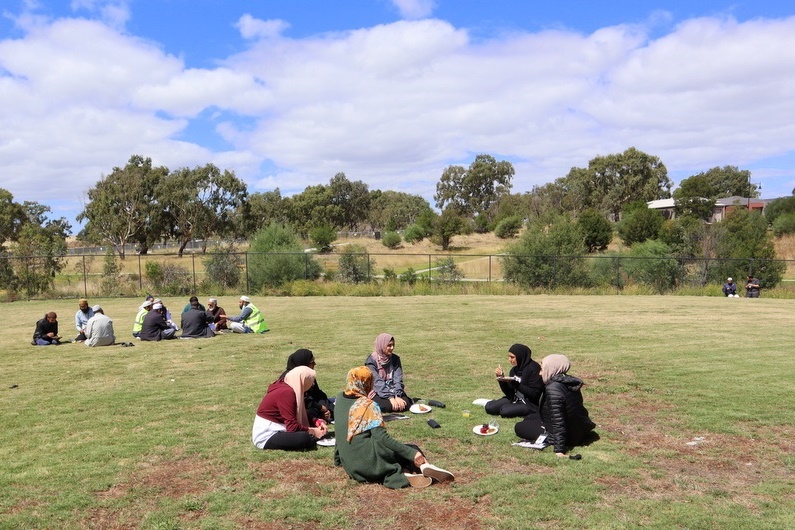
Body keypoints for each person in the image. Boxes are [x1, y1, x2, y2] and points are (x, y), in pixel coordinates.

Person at [334, 366, 454, 489]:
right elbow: (382, 438)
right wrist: (412, 453)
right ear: (367, 383)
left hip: (351, 467)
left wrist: (338, 459)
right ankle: (422, 467)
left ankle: (406, 472)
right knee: (410, 449)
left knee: (396, 452)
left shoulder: (339, 399)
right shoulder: (368, 406)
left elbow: (339, 432)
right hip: (370, 466)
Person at [514, 354, 596, 457]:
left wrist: (559, 450)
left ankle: (552, 438)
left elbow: (558, 421)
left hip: (569, 436)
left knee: (519, 427)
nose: (539, 373)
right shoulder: (568, 381)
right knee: (530, 417)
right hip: (579, 429)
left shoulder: (553, 389)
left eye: (542, 369)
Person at [252, 366, 327, 451]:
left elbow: (297, 412)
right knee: (304, 438)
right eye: (311, 381)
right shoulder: (287, 393)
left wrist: (316, 421)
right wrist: (313, 431)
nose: (312, 384)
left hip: (280, 426)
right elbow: (292, 427)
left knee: (309, 432)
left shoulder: (289, 387)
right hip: (267, 435)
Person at [485, 343, 544, 418]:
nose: (509, 360)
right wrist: (502, 380)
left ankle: (512, 407)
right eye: (509, 357)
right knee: (489, 407)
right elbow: (509, 393)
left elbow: (535, 394)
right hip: (515, 398)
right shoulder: (514, 370)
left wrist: (517, 384)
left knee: (504, 411)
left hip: (530, 403)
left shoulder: (534, 369)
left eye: (512, 357)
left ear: (520, 357)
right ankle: (504, 404)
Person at [278, 348, 334, 422]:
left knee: (336, 409)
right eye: (311, 362)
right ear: (303, 363)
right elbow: (302, 400)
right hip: (300, 406)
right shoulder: (288, 378)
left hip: (313, 402)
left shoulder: (306, 374)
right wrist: (320, 407)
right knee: (310, 413)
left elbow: (317, 393)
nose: (314, 364)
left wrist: (326, 408)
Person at [364, 333, 413, 413]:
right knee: (384, 406)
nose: (392, 348)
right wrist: (390, 397)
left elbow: (398, 379)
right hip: (377, 390)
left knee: (406, 404)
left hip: (393, 388)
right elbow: (377, 382)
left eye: (393, 345)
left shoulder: (395, 359)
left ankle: (395, 402)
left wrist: (397, 395)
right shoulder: (371, 361)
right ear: (382, 345)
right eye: (389, 345)